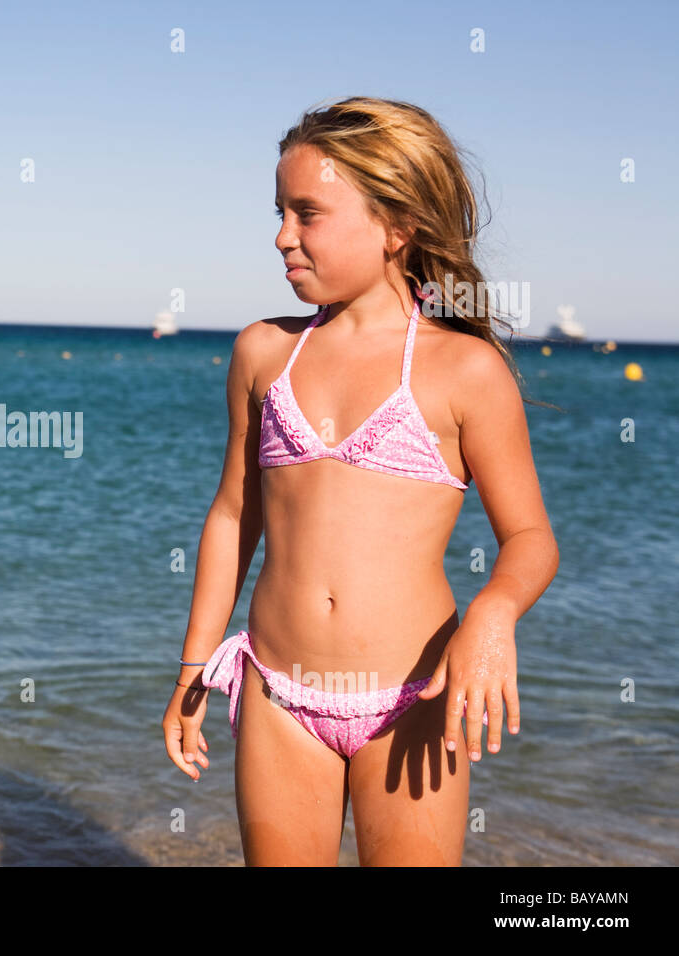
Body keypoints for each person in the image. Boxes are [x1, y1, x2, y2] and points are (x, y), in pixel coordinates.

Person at [162, 97, 559, 865]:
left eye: (307, 213)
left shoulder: (464, 370)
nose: (282, 235)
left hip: (414, 700)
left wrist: (493, 615)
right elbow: (232, 516)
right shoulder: (264, 352)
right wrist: (193, 666)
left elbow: (531, 538)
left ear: (396, 225)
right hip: (278, 694)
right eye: (279, 211)